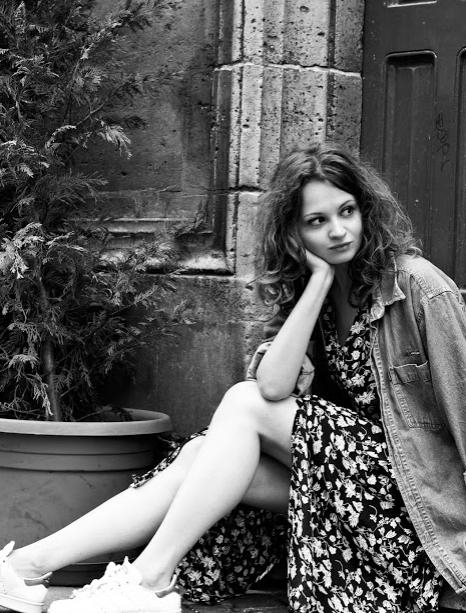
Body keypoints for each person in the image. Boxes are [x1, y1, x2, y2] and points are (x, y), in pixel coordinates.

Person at [1, 142, 466, 613]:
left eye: (347, 211)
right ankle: (26, 567)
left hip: (413, 507)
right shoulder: (319, 293)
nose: (339, 230)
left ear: (366, 209)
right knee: (204, 454)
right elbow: (275, 386)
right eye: (316, 221)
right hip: (350, 493)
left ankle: (149, 580)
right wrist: (320, 282)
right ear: (293, 233)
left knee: (244, 405)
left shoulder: (418, 286)